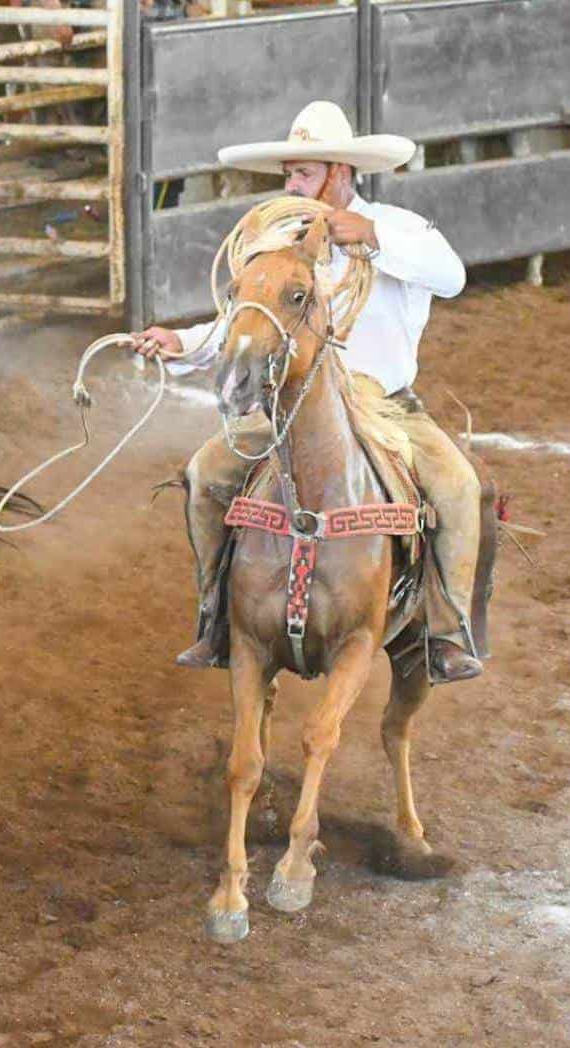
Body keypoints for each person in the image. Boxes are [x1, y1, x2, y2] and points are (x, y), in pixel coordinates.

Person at [133, 100, 483, 685]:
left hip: (386, 407)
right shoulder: (284, 246)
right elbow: (251, 322)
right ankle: (216, 618)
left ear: (339, 173)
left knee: (457, 486)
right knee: (205, 475)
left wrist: (368, 235)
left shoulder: (397, 227)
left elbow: (452, 276)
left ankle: (445, 634)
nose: (291, 185)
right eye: (289, 174)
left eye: (302, 173)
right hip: (297, 409)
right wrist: (184, 342)